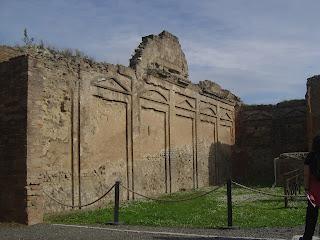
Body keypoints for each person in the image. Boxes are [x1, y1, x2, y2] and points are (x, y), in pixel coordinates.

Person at [302, 134, 320, 240]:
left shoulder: (310, 156)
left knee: (311, 215)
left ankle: (308, 236)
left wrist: (306, 188)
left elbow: (306, 174)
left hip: (313, 190)